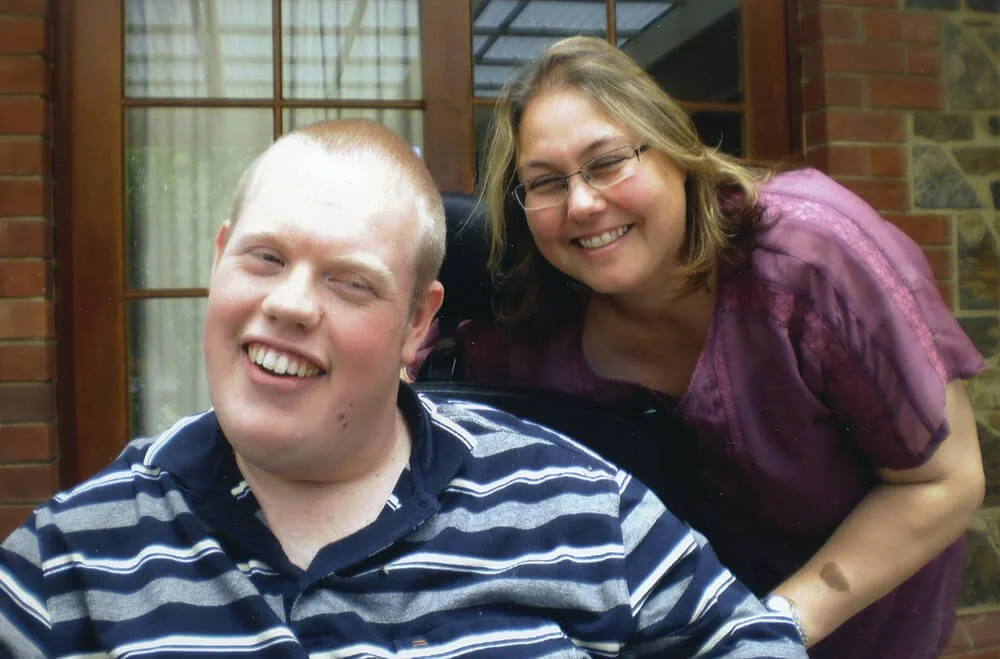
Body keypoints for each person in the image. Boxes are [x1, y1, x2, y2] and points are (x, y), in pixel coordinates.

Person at [0, 119, 806, 658]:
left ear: (420, 325)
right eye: (265, 258)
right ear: (219, 260)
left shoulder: (578, 504)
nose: (287, 303)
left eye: (350, 282)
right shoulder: (68, 562)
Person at [437, 36, 987, 658]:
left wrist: (762, 632)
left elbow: (946, 479)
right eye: (546, 182)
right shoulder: (531, 330)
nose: (583, 203)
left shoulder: (812, 261)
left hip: (866, 628)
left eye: (609, 161)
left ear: (674, 149)